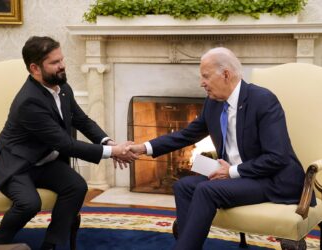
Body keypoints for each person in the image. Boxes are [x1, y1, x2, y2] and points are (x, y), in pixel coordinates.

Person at [129, 47, 315, 250]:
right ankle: (186, 244)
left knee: (206, 190)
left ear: (225, 74)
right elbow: (186, 135)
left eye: (206, 76)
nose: (202, 83)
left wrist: (232, 171)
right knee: (183, 186)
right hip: (241, 178)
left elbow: (276, 157)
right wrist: (143, 148)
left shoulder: (262, 100)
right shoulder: (214, 103)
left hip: (272, 179)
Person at [0, 36, 137, 250]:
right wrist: (113, 152)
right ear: (35, 68)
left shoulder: (62, 87)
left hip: (44, 161)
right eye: (55, 62)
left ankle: (51, 244)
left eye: (62, 59)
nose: (62, 66)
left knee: (76, 186)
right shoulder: (29, 101)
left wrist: (108, 141)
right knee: (29, 203)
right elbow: (66, 144)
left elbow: (81, 120)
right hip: (17, 164)